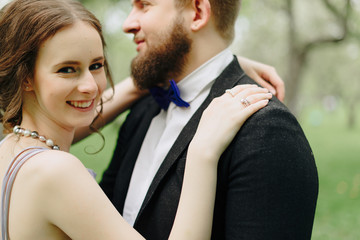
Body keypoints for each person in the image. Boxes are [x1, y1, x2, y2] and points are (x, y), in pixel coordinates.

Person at [0, 0, 275, 239]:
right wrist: (201, 152)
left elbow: (93, 103)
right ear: (26, 77)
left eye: (96, 65)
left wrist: (216, 66)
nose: (91, 86)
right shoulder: (56, 172)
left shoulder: (10, 148)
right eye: (67, 69)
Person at [100, 0, 319, 239]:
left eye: (145, 5)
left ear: (198, 12)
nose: (127, 24)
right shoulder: (142, 110)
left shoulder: (267, 131)